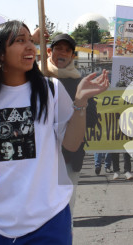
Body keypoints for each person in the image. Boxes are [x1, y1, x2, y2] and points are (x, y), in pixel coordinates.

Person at [0, 20, 109, 243]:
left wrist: (80, 103)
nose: (30, 47)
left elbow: (71, 144)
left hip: (47, 220)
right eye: (20, 41)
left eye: (30, 41)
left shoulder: (50, 90)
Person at [37, 31, 101, 211]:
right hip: (39, 156)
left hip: (70, 156)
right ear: (49, 51)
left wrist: (79, 106)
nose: (62, 53)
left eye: (67, 50)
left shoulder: (79, 82)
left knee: (66, 208)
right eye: (58, 48)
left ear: (72, 56)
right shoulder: (34, 78)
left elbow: (91, 119)